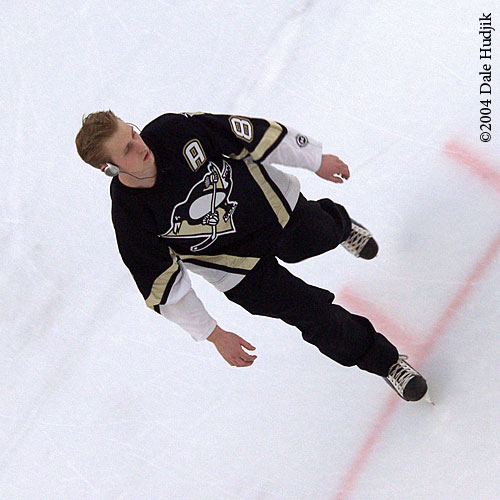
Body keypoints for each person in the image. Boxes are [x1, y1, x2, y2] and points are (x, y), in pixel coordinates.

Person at [75, 110, 429, 402]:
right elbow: (164, 287)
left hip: (274, 211)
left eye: (132, 133)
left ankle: (339, 226)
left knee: (318, 235)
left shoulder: (175, 131)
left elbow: (250, 134)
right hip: (237, 271)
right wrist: (214, 334)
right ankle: (385, 363)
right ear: (110, 169)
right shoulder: (130, 218)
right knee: (311, 314)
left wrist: (315, 160)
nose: (139, 146)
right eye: (126, 150)